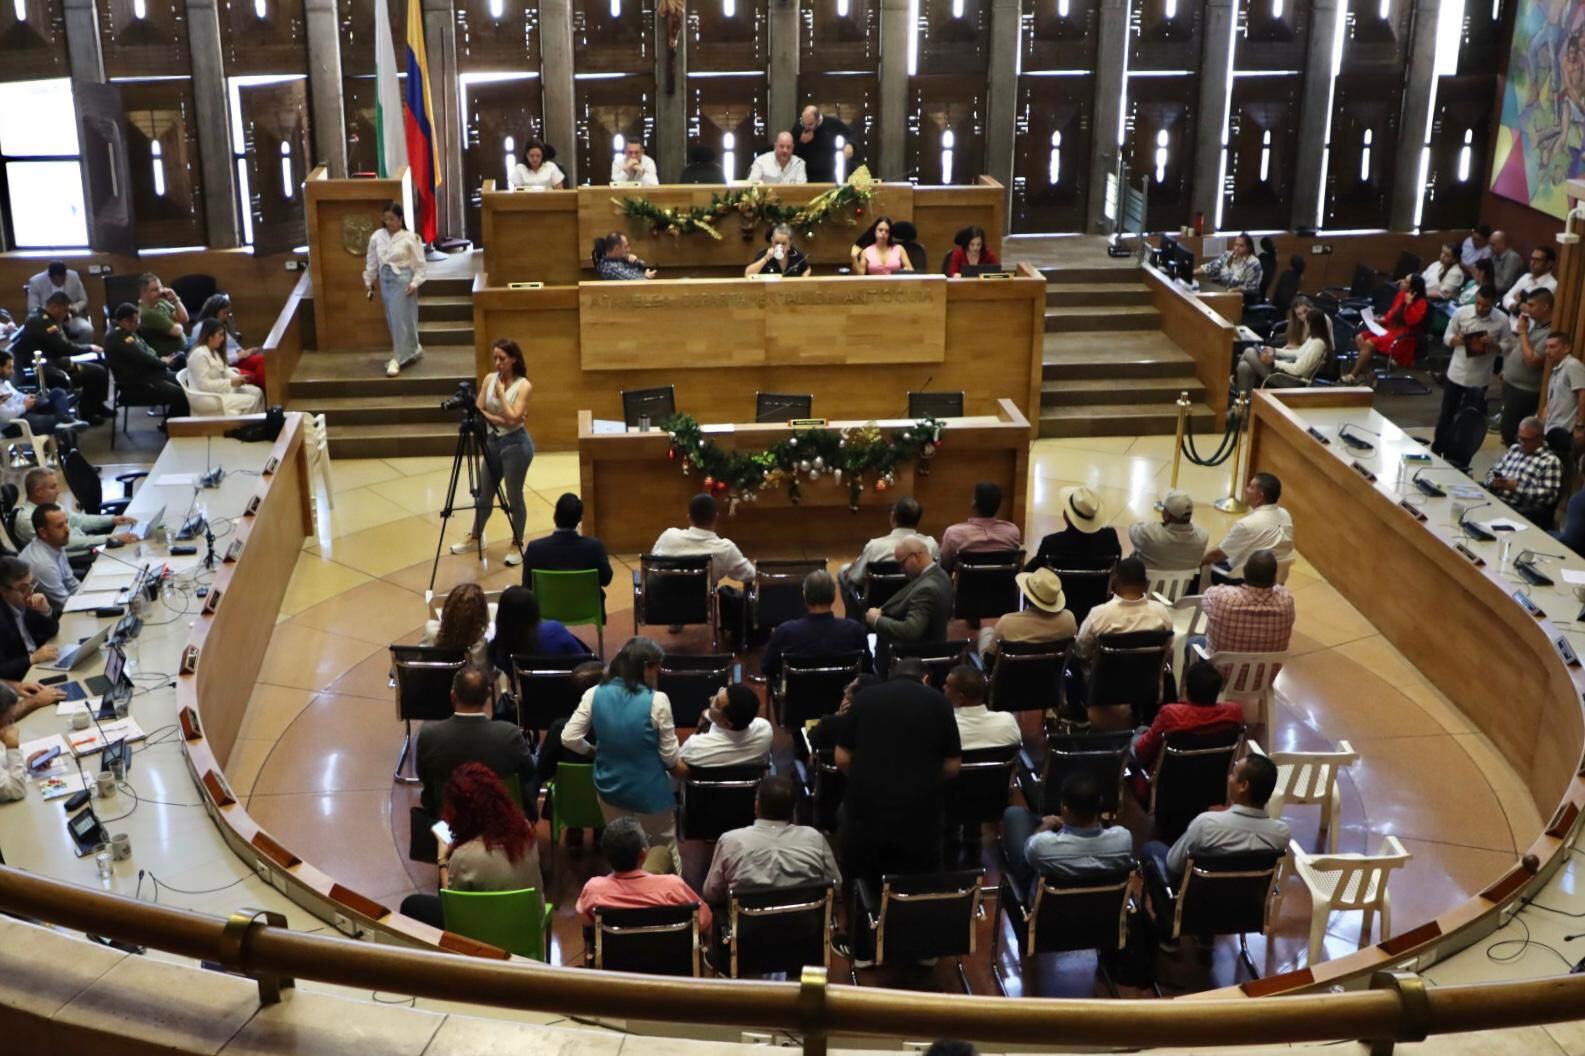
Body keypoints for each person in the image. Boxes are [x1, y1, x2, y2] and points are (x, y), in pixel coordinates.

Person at [835, 659, 961, 958]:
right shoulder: (940, 704)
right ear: (926, 679)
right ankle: (921, 951)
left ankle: (862, 949)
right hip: (921, 812)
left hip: (866, 809)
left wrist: (870, 780)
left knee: (862, 877)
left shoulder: (864, 699)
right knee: (920, 880)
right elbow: (953, 765)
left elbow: (841, 758)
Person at [562, 636, 685, 872]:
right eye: (655, 669)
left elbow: (569, 738)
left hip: (610, 789)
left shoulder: (594, 693)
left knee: (622, 852)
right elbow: (670, 758)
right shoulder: (658, 701)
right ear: (644, 667)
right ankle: (674, 904)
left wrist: (594, 752)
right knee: (664, 850)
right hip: (651, 793)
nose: (657, 674)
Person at [398, 762, 545, 929]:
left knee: (411, 905)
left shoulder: (465, 856)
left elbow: (453, 907)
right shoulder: (525, 829)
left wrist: (442, 860)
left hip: (485, 937)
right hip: (528, 926)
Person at [1145, 753, 1290, 906]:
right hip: (1246, 909)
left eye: (1233, 774)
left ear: (1243, 786)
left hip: (1199, 905)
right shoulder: (1281, 834)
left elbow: (1173, 865)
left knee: (1151, 848)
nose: (1229, 778)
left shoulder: (1206, 824)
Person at [448, 338, 534, 565]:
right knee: (484, 493)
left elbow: (514, 419)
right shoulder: (489, 379)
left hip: (516, 445)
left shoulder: (523, 385)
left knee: (514, 496)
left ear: (514, 359)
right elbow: (479, 410)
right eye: (495, 358)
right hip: (493, 442)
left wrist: (502, 395)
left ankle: (517, 543)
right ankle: (476, 537)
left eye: (502, 359)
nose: (497, 363)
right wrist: (504, 418)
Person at [415, 665, 537, 818]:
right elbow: (528, 772)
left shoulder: (430, 735)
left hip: (449, 817)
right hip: (498, 817)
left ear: (453, 696)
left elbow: (424, 776)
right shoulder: (509, 734)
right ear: (488, 694)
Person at [702, 774, 842, 905]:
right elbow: (836, 885)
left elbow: (711, 894)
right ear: (793, 810)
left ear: (757, 806)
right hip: (807, 928)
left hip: (749, 929)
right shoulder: (815, 839)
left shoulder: (730, 841)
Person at [999, 771, 1134, 898]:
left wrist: (1045, 826)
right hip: (1102, 915)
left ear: (1065, 809)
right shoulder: (1124, 840)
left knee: (1014, 814)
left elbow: (1030, 850)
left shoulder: (1042, 846)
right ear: (1100, 804)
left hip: (1049, 917)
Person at [651, 493, 755, 649]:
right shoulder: (724, 548)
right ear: (716, 518)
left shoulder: (668, 536)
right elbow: (750, 574)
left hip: (659, 604)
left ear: (689, 517)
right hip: (699, 607)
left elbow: (654, 563)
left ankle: (676, 617)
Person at [1128, 660, 1243, 800]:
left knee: (1135, 737)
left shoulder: (1171, 715)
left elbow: (1141, 751)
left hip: (1165, 789)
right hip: (1209, 786)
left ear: (1187, 689)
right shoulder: (1233, 713)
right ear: (1217, 691)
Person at [575, 816, 711, 929]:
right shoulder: (673, 886)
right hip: (667, 957)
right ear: (643, 855)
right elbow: (704, 920)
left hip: (616, 959)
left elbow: (586, 920)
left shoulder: (594, 889)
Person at [1431, 284, 1512, 458]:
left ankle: (1458, 455)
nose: (1481, 308)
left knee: (1468, 419)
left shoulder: (1502, 320)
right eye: (1478, 303)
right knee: (1447, 414)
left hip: (1480, 378)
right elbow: (1446, 337)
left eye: (1486, 306)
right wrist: (1456, 340)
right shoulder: (1462, 313)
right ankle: (1437, 450)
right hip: (1456, 373)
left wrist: (1493, 344)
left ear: (1493, 304)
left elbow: (1507, 347)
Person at [12, 292, 111, 423]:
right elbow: (64, 347)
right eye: (65, 310)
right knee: (97, 372)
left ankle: (98, 406)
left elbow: (64, 339)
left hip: (57, 361)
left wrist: (65, 322)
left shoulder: (47, 318)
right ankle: (88, 413)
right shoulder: (40, 321)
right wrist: (89, 348)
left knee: (102, 362)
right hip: (52, 368)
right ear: (54, 307)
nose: (66, 313)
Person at [760, 570, 868, 684]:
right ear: (833, 596)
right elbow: (866, 669)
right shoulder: (854, 630)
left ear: (805, 596)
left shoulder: (785, 632)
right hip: (843, 699)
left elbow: (767, 669)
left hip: (797, 700)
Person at [837, 495, 938, 615]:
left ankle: (856, 624)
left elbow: (855, 578)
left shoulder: (875, 546)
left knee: (843, 572)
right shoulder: (930, 545)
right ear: (918, 519)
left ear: (892, 517)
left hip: (878, 611)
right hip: (919, 610)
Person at [864, 536, 952, 673]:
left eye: (902, 563)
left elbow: (911, 631)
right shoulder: (940, 575)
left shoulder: (927, 589)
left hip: (908, 658)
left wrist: (876, 620)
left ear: (917, 556)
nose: (901, 570)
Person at [362, 201, 427, 378]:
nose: (389, 223)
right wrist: (369, 279)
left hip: (402, 280)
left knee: (401, 319)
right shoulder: (377, 237)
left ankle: (398, 357)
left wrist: (415, 282)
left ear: (400, 219)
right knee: (393, 318)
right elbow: (372, 261)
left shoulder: (410, 237)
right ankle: (412, 349)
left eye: (392, 219)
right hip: (385, 280)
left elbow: (420, 264)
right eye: (386, 219)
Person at [1196, 549, 1295, 656]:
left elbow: (1204, 602)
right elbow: (1280, 589)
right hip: (1265, 671)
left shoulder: (1221, 598)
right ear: (1275, 577)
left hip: (1218, 669)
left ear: (1244, 571)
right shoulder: (1286, 602)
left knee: (1193, 641)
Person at [1072, 556, 1172, 661]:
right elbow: (1168, 649)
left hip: (1106, 676)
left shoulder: (1099, 615)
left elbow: (1081, 650)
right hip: (1149, 676)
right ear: (1146, 584)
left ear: (1114, 582)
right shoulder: (1161, 613)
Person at [14, 467, 134, 551]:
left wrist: (112, 519)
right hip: (77, 557)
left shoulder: (49, 504)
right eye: (53, 487)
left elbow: (78, 520)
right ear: (38, 491)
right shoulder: (28, 520)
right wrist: (109, 538)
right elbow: (66, 543)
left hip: (85, 544)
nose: (59, 490)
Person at [1202, 471, 1293, 581]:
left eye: (1250, 487)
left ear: (1260, 496)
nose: (1246, 489)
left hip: (1244, 579)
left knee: (1202, 567)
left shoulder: (1247, 524)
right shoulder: (1285, 514)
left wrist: (1197, 562)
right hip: (1274, 579)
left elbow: (1218, 554)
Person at [520, 492, 613, 599]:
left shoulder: (535, 549)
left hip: (547, 613)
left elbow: (527, 587)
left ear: (555, 516)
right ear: (579, 519)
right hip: (587, 613)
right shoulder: (594, 547)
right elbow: (606, 580)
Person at [104, 303, 189, 418]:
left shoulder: (126, 332)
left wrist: (161, 361)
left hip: (149, 375)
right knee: (180, 394)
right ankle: (171, 426)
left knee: (187, 380)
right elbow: (142, 357)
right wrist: (163, 362)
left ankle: (172, 423)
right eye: (135, 322)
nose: (137, 325)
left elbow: (147, 352)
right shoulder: (118, 337)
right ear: (125, 321)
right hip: (135, 384)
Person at [1342, 273, 1429, 384]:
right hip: (1390, 330)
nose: (1402, 281)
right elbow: (1392, 313)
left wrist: (1409, 305)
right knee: (1360, 337)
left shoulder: (1421, 303)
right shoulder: (1401, 294)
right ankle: (1368, 372)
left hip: (1403, 337)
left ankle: (1353, 376)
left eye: (1406, 281)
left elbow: (1411, 322)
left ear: (1413, 287)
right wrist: (1381, 320)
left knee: (1369, 343)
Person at [486, 585, 589, 679]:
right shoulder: (555, 630)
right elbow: (586, 663)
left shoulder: (496, 650)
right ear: (534, 611)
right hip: (569, 696)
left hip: (527, 698)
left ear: (501, 615)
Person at [978, 566, 1076, 659]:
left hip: (1010, 675)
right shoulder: (1069, 619)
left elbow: (989, 659)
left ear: (1026, 597)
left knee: (986, 631)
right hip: (1051, 674)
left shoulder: (1007, 623)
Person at [1235, 301, 1331, 393]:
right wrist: (1275, 351)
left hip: (1291, 380)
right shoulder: (1313, 339)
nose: (1305, 324)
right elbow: (1297, 353)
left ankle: (1237, 394)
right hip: (1286, 373)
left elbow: (1298, 369)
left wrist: (1273, 363)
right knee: (1244, 367)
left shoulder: (1318, 344)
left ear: (1311, 324)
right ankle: (1243, 403)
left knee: (1249, 351)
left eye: (1306, 322)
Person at [1485, 416, 1563, 527]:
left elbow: (1548, 496)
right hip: (1493, 500)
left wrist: (1516, 487)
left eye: (1526, 440)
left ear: (1540, 438)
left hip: (1516, 510)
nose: (1522, 443)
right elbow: (1492, 471)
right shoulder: (1515, 449)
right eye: (1519, 438)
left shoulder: (1550, 461)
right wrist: (1492, 481)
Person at [1500, 287, 1554, 447]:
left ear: (1545, 307)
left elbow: (1533, 360)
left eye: (1531, 305)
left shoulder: (1550, 331)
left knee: (1513, 433)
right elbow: (1521, 349)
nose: (1527, 310)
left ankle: (1517, 465)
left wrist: (1523, 332)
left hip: (1525, 390)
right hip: (1512, 384)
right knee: (1507, 431)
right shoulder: (1537, 324)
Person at [1025, 485, 1120, 572]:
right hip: (1099, 590)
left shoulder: (1052, 543)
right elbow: (1117, 568)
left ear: (1066, 516)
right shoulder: (1110, 537)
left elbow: (1031, 571)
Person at [679, 683, 773, 766]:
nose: (711, 698)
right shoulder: (765, 731)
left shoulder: (694, 747)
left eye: (716, 703)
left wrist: (701, 722)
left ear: (727, 723)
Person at [0, 349, 86, 439]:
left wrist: (27, 397)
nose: (13, 371)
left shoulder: (5, 382)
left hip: (26, 411)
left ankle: (66, 418)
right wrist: (24, 406)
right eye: (9, 368)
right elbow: (5, 417)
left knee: (58, 393)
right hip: (16, 424)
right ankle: (67, 421)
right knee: (57, 420)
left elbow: (17, 395)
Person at [940, 481, 1022, 573]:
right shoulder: (1013, 532)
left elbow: (945, 568)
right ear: (999, 506)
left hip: (967, 587)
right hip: (1004, 586)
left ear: (974, 503)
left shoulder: (953, 533)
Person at [188, 319, 264, 415]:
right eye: (220, 335)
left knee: (257, 392)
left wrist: (239, 378)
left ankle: (256, 426)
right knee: (251, 400)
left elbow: (225, 370)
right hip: (206, 397)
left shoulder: (214, 351)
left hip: (217, 391)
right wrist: (231, 382)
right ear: (210, 336)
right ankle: (241, 429)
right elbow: (204, 385)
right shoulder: (199, 355)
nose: (223, 338)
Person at [0, 557, 58, 679]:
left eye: (31, 584)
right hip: (22, 677)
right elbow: (2, 669)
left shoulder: (29, 598)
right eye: (23, 588)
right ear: (4, 590)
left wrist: (45, 611)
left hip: (44, 663)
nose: (30, 591)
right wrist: (32, 658)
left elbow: (52, 631)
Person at [19, 505, 80, 615]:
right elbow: (65, 604)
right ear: (43, 533)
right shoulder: (43, 564)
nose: (67, 529)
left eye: (66, 522)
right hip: (50, 618)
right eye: (60, 526)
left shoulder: (55, 544)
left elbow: (71, 583)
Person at [945, 662, 1019, 751]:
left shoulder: (943, 728)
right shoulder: (1008, 721)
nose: (943, 687)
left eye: (947, 685)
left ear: (960, 698)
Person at [192, 293, 263, 385]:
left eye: (227, 313)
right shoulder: (201, 329)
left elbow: (232, 346)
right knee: (252, 376)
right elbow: (212, 359)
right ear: (214, 310)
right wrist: (238, 356)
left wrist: (245, 352)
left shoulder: (218, 324)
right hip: (223, 366)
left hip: (234, 358)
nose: (226, 317)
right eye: (224, 313)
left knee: (262, 361)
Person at [1129, 489, 1208, 571]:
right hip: (1184, 583)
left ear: (1166, 514)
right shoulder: (1202, 537)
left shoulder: (1148, 533)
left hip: (1148, 583)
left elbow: (1132, 529)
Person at [421, 582, 490, 665]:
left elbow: (421, 658)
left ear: (447, 608)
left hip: (431, 677)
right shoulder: (480, 645)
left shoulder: (430, 629)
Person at [1542, 332, 1585, 458]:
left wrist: (1580, 426)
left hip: (1567, 431)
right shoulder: (1556, 370)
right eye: (1546, 347)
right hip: (1552, 429)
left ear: (1566, 348)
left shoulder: (1573, 365)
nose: (1547, 351)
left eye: (1552, 347)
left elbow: (1583, 394)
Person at [26, 262, 92, 342]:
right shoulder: (36, 282)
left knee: (88, 330)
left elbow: (83, 300)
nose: (60, 283)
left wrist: (73, 308)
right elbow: (32, 308)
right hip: (47, 321)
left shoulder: (74, 277)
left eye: (63, 280)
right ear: (50, 277)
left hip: (70, 318)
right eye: (57, 281)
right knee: (52, 334)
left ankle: (82, 351)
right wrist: (52, 311)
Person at [791, 105, 857, 183]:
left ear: (818, 119)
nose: (806, 127)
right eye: (804, 123)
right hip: (807, 178)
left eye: (810, 124)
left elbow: (852, 135)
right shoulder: (799, 126)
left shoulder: (833, 123)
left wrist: (850, 145)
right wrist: (801, 142)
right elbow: (791, 151)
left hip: (830, 177)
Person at [136, 272, 191, 361]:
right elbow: (177, 331)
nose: (160, 291)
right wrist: (177, 321)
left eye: (161, 287)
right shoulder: (147, 313)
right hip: (174, 355)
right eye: (155, 289)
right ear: (143, 292)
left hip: (184, 344)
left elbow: (184, 318)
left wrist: (175, 299)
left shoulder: (160, 302)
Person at [1194, 232, 1262, 295]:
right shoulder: (1229, 255)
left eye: (1241, 246)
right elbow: (1211, 267)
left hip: (1239, 296)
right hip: (1223, 291)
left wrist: (1229, 291)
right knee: (1195, 290)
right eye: (1236, 244)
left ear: (1249, 248)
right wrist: (1192, 272)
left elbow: (1250, 287)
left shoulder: (1253, 263)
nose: (1237, 248)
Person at [1502, 245, 1558, 313]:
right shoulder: (1526, 277)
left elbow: (1536, 312)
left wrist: (1519, 304)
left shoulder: (1553, 285)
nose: (1532, 263)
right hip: (1510, 320)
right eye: (1532, 259)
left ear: (1549, 264)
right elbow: (1506, 298)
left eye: (1538, 260)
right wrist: (1518, 305)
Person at [745, 224, 811, 278]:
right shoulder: (764, 254)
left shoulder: (796, 255)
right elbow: (748, 274)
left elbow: (807, 268)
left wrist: (804, 278)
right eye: (776, 243)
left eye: (784, 243)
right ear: (772, 240)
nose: (780, 246)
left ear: (790, 243)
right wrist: (766, 258)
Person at [1488, 229, 1524, 296]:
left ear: (1502, 244)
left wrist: (1486, 284)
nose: (1490, 247)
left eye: (1493, 245)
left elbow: (1503, 286)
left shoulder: (1513, 258)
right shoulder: (1495, 255)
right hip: (1492, 290)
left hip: (1503, 295)